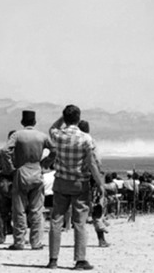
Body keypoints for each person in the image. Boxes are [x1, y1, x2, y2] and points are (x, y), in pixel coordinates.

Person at [46, 105, 105, 270]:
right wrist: (100, 184)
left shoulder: (58, 135)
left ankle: (53, 259)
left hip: (61, 181)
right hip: (80, 183)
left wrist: (62, 119)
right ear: (79, 119)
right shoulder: (86, 138)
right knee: (79, 222)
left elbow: (52, 128)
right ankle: (80, 259)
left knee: (56, 220)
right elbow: (91, 163)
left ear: (65, 119)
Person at [7, 110, 53, 250]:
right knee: (36, 210)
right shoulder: (42, 136)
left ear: (22, 122)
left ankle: (19, 241)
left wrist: (10, 166)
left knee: (19, 210)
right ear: (34, 122)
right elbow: (55, 150)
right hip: (37, 172)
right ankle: (35, 241)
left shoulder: (17, 135)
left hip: (21, 172)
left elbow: (5, 151)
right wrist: (46, 162)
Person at [0, 130, 16, 244]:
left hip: (3, 182)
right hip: (16, 182)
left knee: (1, 212)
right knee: (18, 211)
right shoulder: (20, 153)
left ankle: (0, 238)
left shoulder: (1, 152)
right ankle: (18, 237)